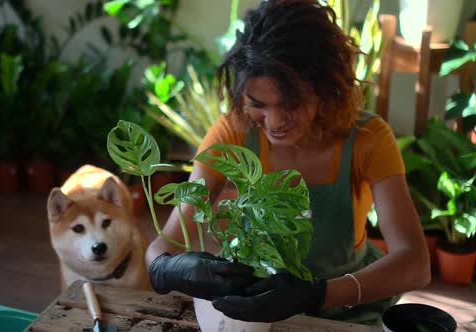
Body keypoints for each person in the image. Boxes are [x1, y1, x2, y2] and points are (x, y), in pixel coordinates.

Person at [145, 0, 430, 324]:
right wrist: (168, 269)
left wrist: (319, 293)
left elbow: (415, 264)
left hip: (347, 307)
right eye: (258, 103)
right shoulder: (234, 133)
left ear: (326, 88)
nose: (274, 121)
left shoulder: (369, 139)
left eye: (291, 104)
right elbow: (161, 248)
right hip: (253, 309)